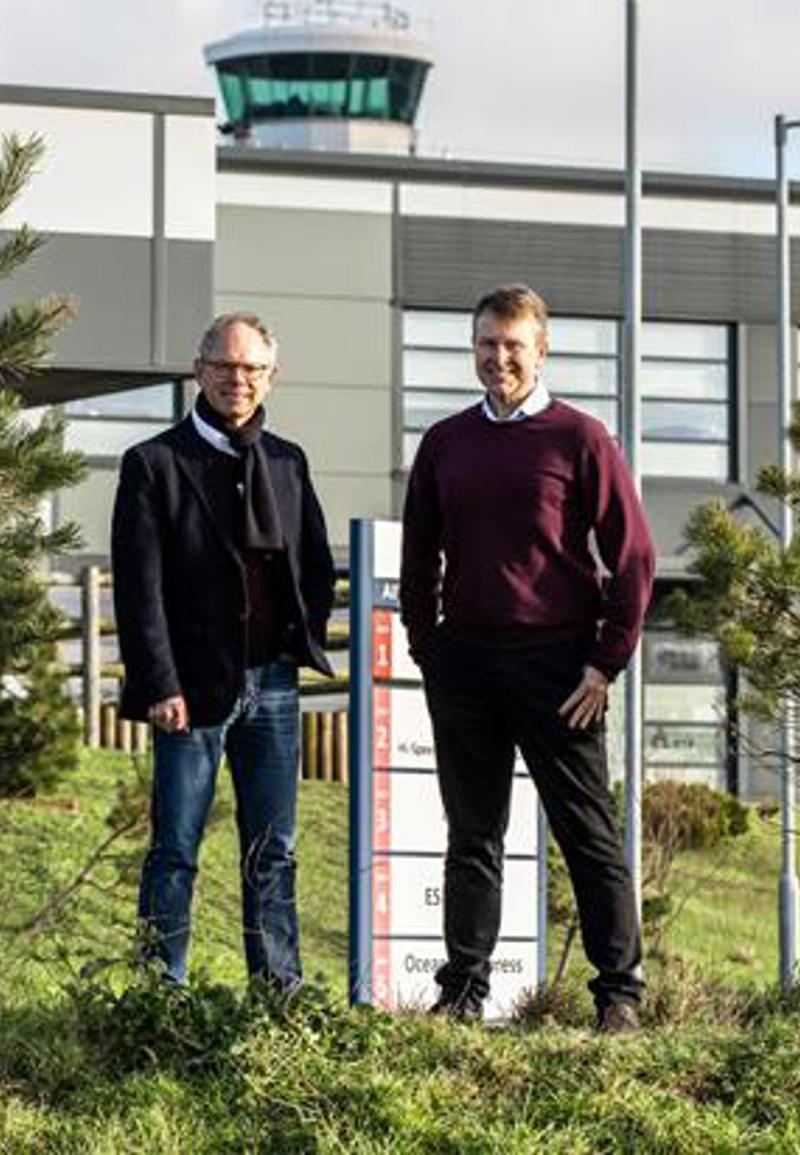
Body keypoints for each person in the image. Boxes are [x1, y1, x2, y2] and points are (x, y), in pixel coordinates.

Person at [399, 285, 655, 1031]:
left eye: (513, 344)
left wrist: (605, 662)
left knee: (587, 831)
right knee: (472, 834)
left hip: (561, 667)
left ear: (541, 349)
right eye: (486, 343)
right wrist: (430, 648)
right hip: (468, 664)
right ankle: (463, 992)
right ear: (472, 348)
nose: (498, 357)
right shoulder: (445, 442)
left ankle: (619, 995)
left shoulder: (581, 438)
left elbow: (634, 556)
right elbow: (419, 558)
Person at [112, 312, 335, 992]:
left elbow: (317, 565)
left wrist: (304, 639)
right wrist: (159, 681)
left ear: (272, 375)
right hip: (190, 690)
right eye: (224, 365)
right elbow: (139, 588)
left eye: (252, 368)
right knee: (175, 849)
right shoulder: (154, 463)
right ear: (199, 367)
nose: (237, 379)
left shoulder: (288, 462)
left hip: (272, 683)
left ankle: (278, 989)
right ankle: (161, 988)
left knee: (274, 851)